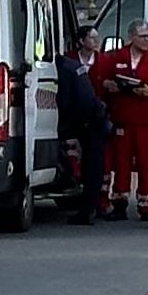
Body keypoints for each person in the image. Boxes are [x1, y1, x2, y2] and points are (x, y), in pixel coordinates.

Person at [88, 25, 148, 220]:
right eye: (142, 36)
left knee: (146, 162)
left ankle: (145, 203)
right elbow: (101, 79)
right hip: (121, 119)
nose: (146, 40)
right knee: (121, 162)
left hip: (146, 120)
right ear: (131, 37)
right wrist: (109, 85)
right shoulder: (117, 58)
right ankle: (120, 201)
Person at [55, 28, 109, 221]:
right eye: (91, 37)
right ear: (80, 41)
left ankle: (90, 209)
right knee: (88, 165)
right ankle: (88, 207)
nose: (96, 41)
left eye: (97, 37)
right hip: (84, 119)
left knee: (93, 166)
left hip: (92, 120)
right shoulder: (71, 63)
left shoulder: (71, 65)